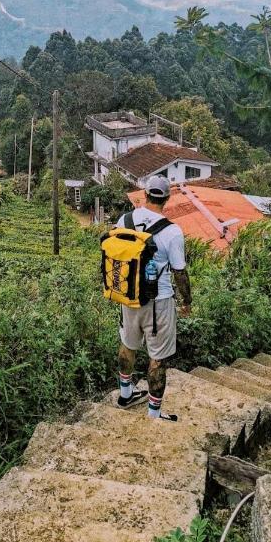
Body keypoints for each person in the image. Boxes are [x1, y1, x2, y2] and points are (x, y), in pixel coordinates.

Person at [115, 175, 191, 421]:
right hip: (158, 303)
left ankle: (126, 394)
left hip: (127, 297)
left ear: (144, 195)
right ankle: (154, 415)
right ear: (167, 199)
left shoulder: (124, 219)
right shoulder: (172, 231)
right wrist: (187, 301)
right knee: (158, 357)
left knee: (128, 344)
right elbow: (179, 272)